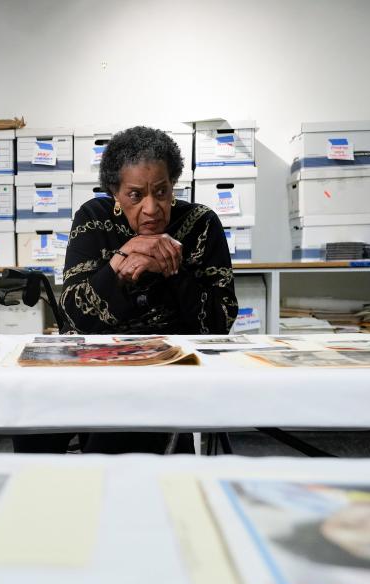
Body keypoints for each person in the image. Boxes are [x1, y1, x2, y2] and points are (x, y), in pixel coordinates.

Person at [13, 125, 238, 455]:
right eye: (135, 195)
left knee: (120, 430)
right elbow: (75, 312)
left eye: (161, 192)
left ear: (173, 185)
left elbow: (218, 324)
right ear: (115, 193)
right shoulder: (93, 217)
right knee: (29, 417)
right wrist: (119, 263)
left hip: (165, 370)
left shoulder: (201, 223)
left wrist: (172, 269)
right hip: (94, 364)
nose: (150, 208)